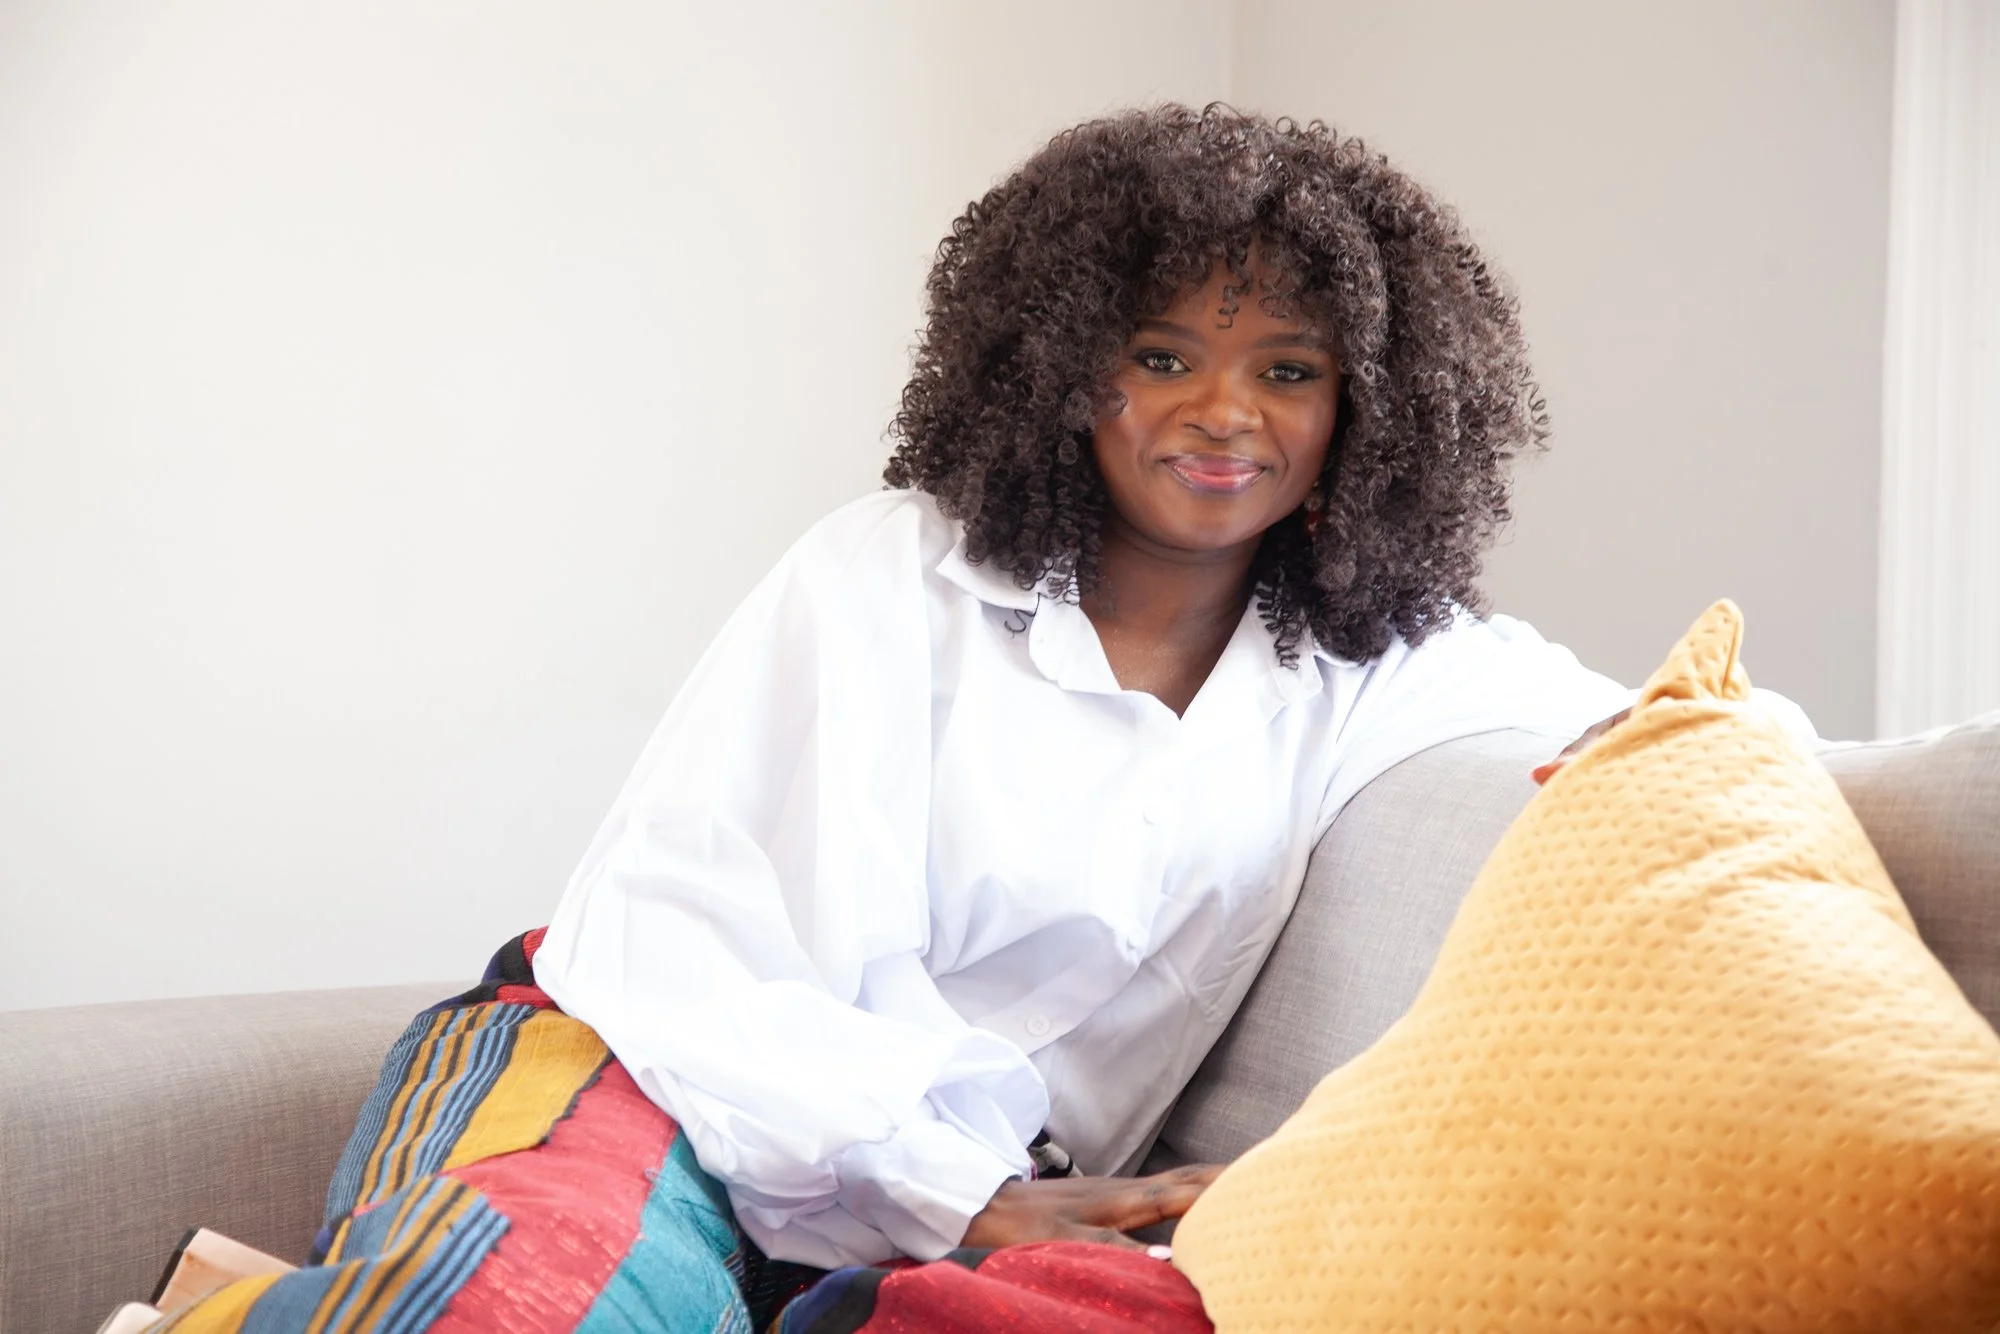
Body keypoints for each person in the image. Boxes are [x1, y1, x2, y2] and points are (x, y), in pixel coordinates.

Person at [158, 103, 1808, 1332]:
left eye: (1289, 369)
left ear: (1365, 404)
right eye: (1162, 354)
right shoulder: (889, 574)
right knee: (529, 1300)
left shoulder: (1379, 661)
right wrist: (966, 1194)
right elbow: (684, 950)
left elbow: (1685, 728)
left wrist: (1748, 786)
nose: (1224, 411)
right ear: (1066, 371)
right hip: (640, 1063)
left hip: (939, 1220)